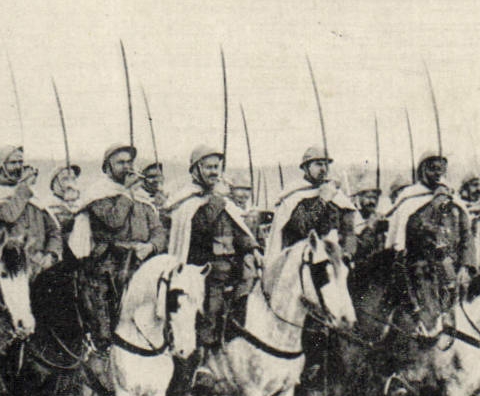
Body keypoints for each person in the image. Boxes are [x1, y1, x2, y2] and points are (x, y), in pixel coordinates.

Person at [167, 145, 255, 349]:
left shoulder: (222, 201)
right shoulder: (189, 201)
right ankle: (201, 360)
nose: (214, 172)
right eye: (208, 167)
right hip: (200, 268)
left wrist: (252, 248)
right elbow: (201, 227)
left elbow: (237, 231)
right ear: (196, 170)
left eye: (217, 167)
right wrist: (217, 200)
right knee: (209, 311)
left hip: (229, 267)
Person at [380, 151, 474, 332]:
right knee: (429, 320)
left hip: (453, 269)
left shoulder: (454, 200)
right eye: (433, 168)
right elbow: (418, 230)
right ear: (422, 170)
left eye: (442, 168)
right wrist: (436, 203)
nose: (438, 173)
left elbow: (467, 236)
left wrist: (466, 266)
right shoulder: (410, 198)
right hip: (420, 270)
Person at [70, 142, 165, 297]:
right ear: (108, 167)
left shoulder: (140, 196)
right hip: (108, 266)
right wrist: (127, 193)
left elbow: (158, 230)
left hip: (141, 262)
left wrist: (151, 246)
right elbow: (114, 221)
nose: (127, 167)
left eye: (129, 162)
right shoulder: (98, 194)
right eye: (121, 163)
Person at [0, 145, 62, 273]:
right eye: (13, 163)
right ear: (1, 166)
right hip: (12, 268)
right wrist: (23, 188)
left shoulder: (31, 195)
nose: (19, 167)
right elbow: (9, 215)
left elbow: (53, 229)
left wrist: (51, 254)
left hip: (42, 266)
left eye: (20, 162)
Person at [267, 146, 357, 259]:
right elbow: (303, 228)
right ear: (306, 167)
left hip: (335, 256)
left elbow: (349, 231)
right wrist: (322, 201)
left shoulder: (336, 195)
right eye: (318, 164)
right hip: (302, 255)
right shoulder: (294, 196)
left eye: (326, 164)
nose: (324, 169)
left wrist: (348, 253)